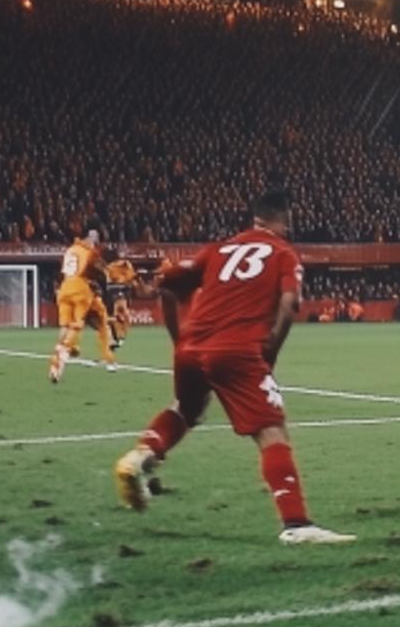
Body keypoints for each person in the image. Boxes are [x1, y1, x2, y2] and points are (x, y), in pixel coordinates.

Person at [112, 191, 354, 544]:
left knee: (187, 408)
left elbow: (165, 286)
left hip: (192, 348)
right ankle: (297, 525)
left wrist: (179, 340)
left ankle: (141, 455)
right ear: (283, 219)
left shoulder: (218, 249)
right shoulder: (284, 253)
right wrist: (270, 350)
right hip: (236, 350)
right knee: (271, 430)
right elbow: (290, 304)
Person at [50, 229, 107, 383]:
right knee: (77, 324)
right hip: (80, 288)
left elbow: (66, 270)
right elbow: (95, 270)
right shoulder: (90, 252)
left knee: (64, 326)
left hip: (65, 287)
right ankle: (64, 351)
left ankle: (57, 360)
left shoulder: (70, 250)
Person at [103, 249, 140, 351]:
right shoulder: (120, 265)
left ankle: (117, 337)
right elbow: (130, 277)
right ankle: (118, 336)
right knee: (122, 312)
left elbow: (108, 282)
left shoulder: (109, 268)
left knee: (118, 314)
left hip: (114, 291)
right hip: (118, 290)